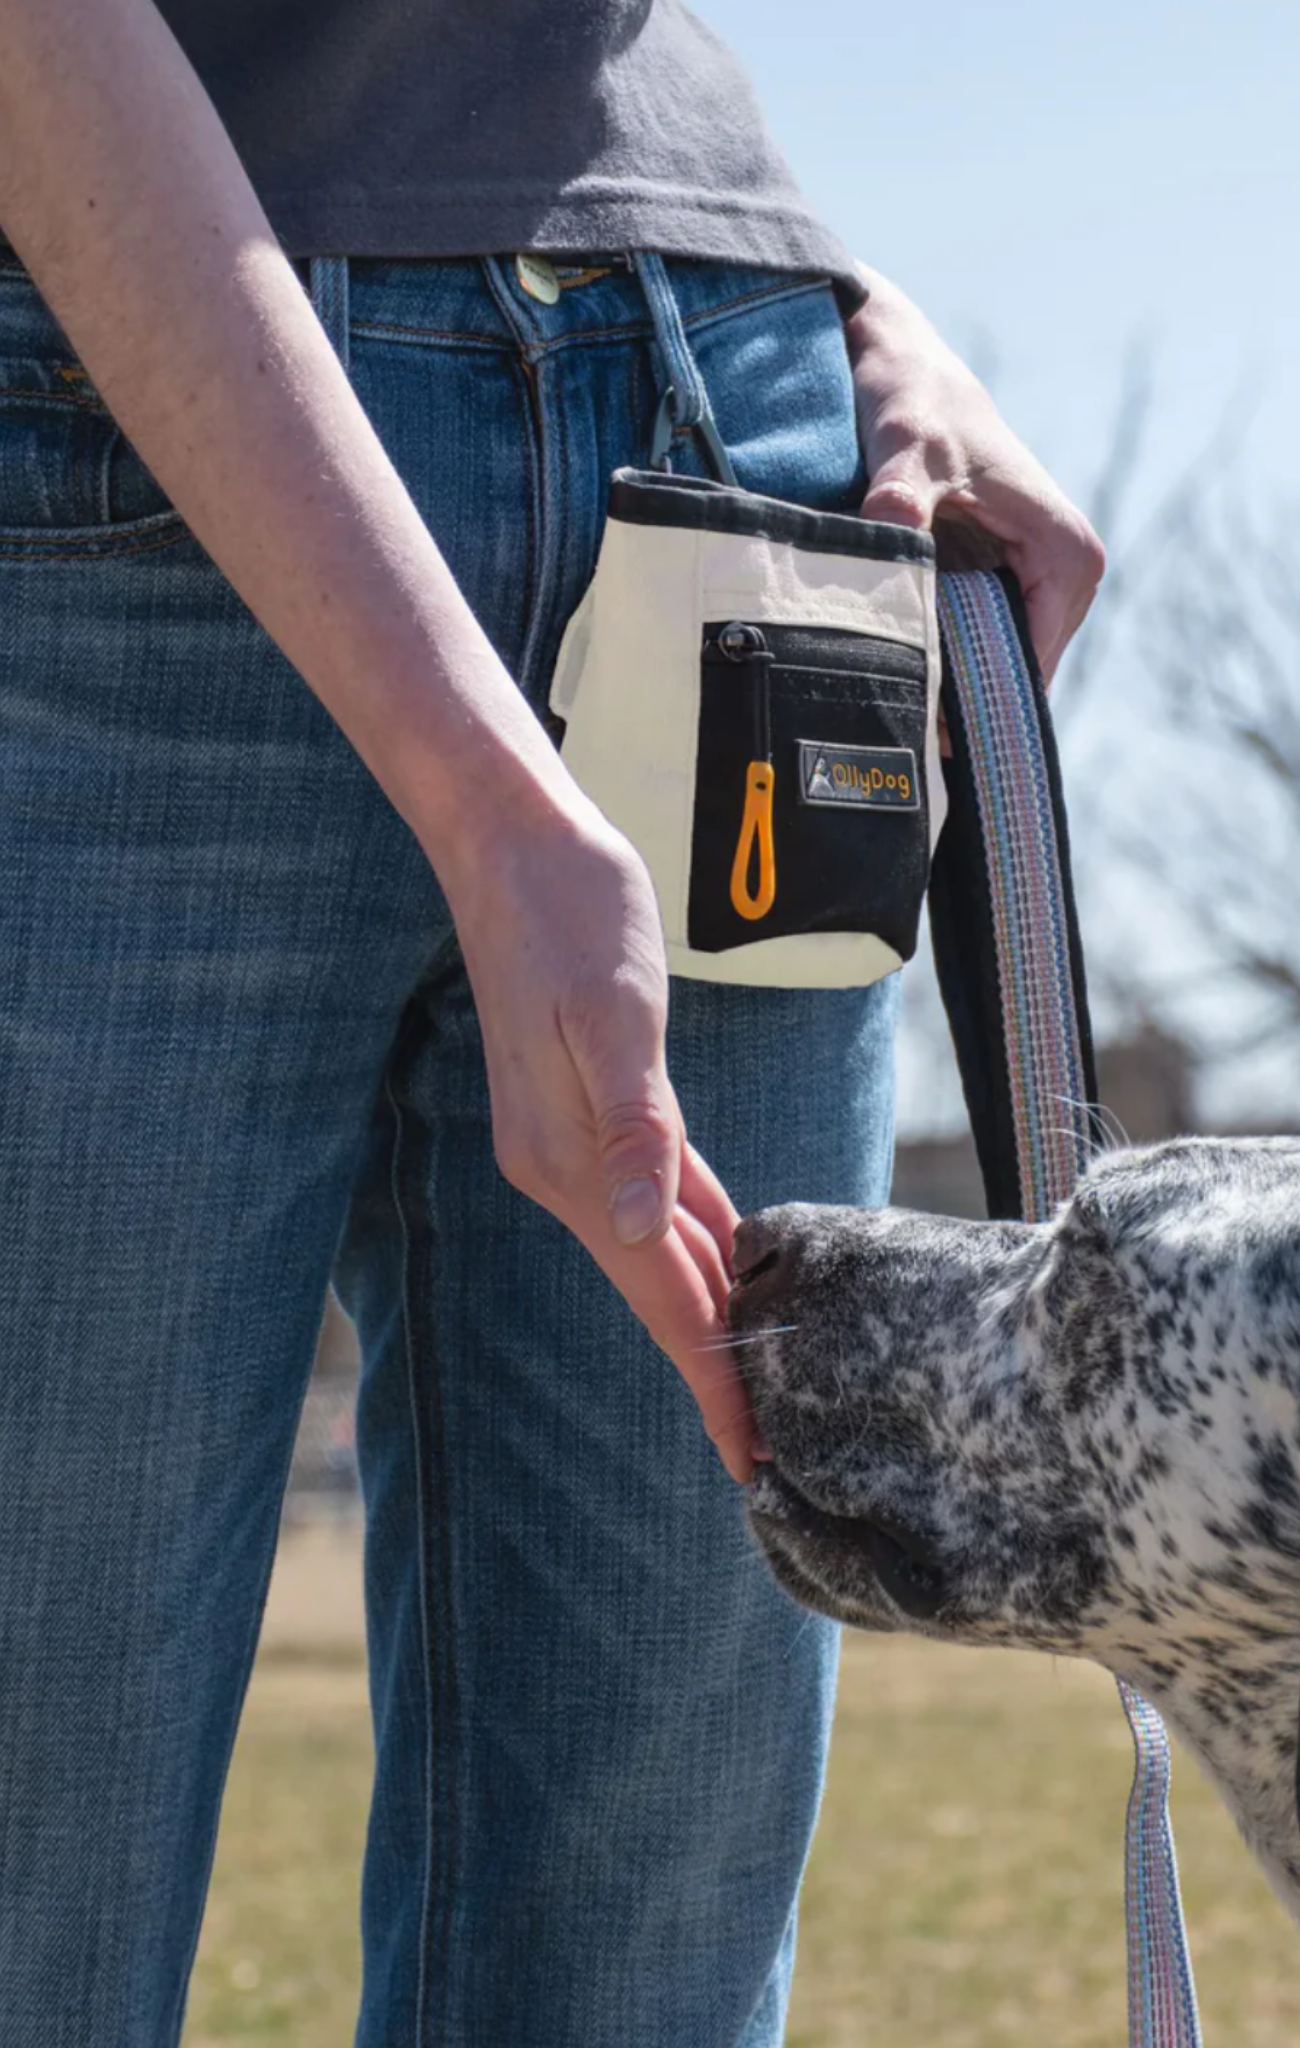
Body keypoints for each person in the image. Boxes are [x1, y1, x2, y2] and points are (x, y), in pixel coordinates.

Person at [0, 4, 1103, 2043]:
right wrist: (485, 789)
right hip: (97, 428)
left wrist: (818, 272)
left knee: (646, 1973)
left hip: (732, 438)